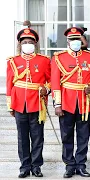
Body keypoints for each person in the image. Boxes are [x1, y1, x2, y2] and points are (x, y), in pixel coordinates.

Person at [51, 27, 90, 178]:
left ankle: (81, 164)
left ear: (81, 40)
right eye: (72, 39)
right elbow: (55, 83)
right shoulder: (58, 58)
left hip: (85, 102)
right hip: (66, 101)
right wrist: (57, 104)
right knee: (66, 135)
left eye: (77, 39)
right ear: (67, 41)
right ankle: (69, 165)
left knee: (83, 135)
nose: (75, 42)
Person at [6, 28, 51, 178]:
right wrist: (10, 104)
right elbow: (9, 85)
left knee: (38, 137)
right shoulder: (13, 61)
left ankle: (36, 166)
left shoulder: (44, 60)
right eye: (24, 42)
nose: (27, 44)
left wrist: (46, 89)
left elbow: (51, 81)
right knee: (22, 137)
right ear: (20, 44)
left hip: (37, 103)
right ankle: (24, 167)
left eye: (30, 42)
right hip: (19, 104)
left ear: (35, 44)